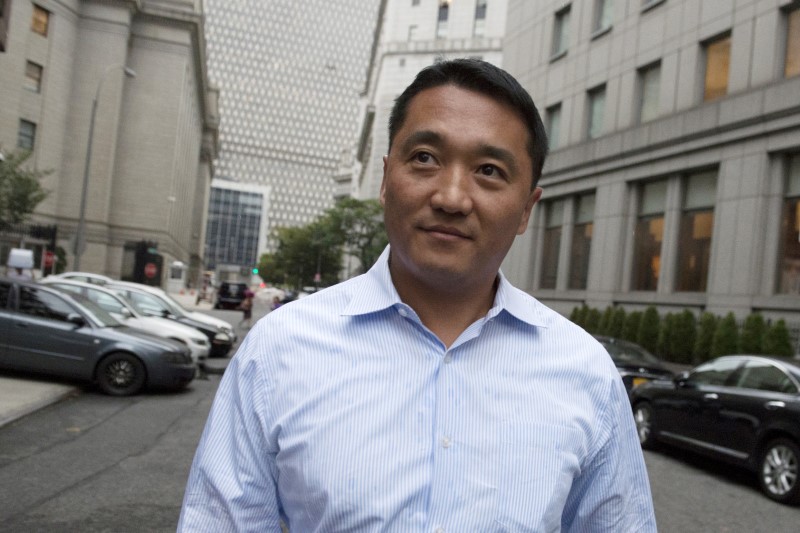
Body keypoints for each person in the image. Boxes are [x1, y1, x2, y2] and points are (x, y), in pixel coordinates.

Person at [178, 58, 657, 531]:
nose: (451, 197)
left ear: (527, 209)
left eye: (489, 170)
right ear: (387, 179)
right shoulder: (279, 349)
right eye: (425, 158)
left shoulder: (585, 373)